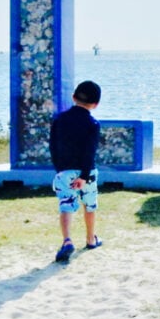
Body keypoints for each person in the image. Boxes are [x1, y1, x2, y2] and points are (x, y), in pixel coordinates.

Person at [49, 80, 104, 262]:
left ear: (73, 97)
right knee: (89, 205)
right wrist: (84, 176)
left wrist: (59, 168)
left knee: (66, 205)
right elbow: (90, 152)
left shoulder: (59, 120)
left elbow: (53, 146)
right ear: (95, 104)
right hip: (86, 172)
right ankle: (90, 238)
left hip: (64, 170)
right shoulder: (92, 124)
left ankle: (66, 240)